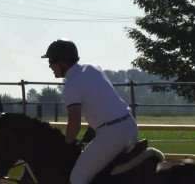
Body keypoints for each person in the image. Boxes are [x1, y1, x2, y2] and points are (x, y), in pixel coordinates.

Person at [41, 39, 138, 184]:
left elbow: (74, 126)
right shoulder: (94, 68)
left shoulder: (71, 84)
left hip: (112, 136)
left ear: (62, 62)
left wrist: (63, 143)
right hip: (130, 126)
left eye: (51, 61)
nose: (49, 66)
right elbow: (103, 103)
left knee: (77, 178)